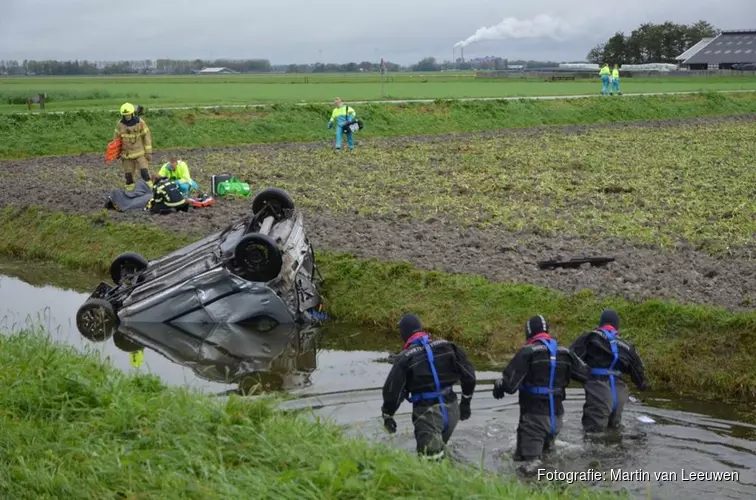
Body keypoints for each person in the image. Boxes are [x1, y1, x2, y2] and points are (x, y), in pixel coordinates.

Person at [492, 315, 589, 462]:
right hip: (556, 418)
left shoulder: (528, 352)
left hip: (534, 420)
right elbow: (586, 374)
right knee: (549, 459)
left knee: (527, 466)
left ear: (528, 332)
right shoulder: (565, 353)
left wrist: (499, 385)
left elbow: (510, 385)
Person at [381, 313, 476, 461]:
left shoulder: (405, 358)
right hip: (452, 410)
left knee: (430, 465)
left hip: (428, 415)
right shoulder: (448, 346)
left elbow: (392, 392)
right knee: (441, 454)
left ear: (404, 334)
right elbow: (469, 375)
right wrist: (466, 403)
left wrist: (388, 415)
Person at [570, 309, 648, 433]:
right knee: (614, 431)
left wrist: (582, 376)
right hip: (619, 393)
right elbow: (640, 378)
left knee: (593, 434)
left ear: (601, 323)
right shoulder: (627, 346)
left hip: (599, 389)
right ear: (617, 327)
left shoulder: (590, 337)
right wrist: (642, 385)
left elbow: (571, 359)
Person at [114, 102, 153, 191]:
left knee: (145, 173)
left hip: (140, 154)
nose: (127, 116)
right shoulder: (120, 124)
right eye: (125, 115)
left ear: (132, 114)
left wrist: (148, 152)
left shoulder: (140, 122)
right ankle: (130, 192)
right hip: (126, 155)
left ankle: (150, 190)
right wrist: (116, 153)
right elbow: (116, 140)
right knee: (128, 177)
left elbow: (147, 137)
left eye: (128, 114)